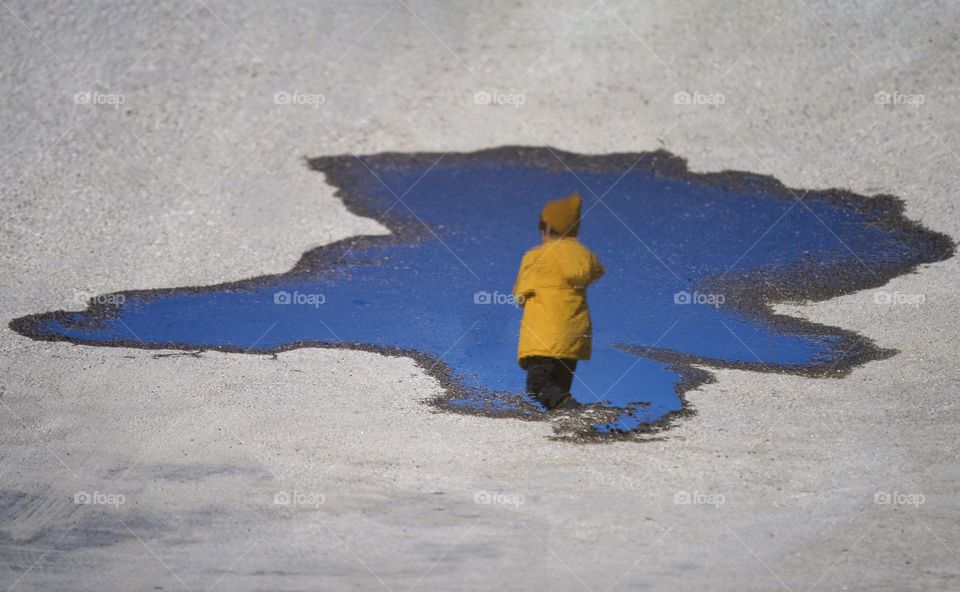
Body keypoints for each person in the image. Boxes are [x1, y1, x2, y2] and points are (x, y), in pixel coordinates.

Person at [513, 192, 605, 410]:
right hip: (573, 338)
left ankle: (573, 412)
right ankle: (569, 426)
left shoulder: (536, 256)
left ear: (546, 229)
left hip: (543, 338)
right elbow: (596, 271)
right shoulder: (585, 257)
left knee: (538, 386)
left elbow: (520, 294)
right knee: (559, 391)